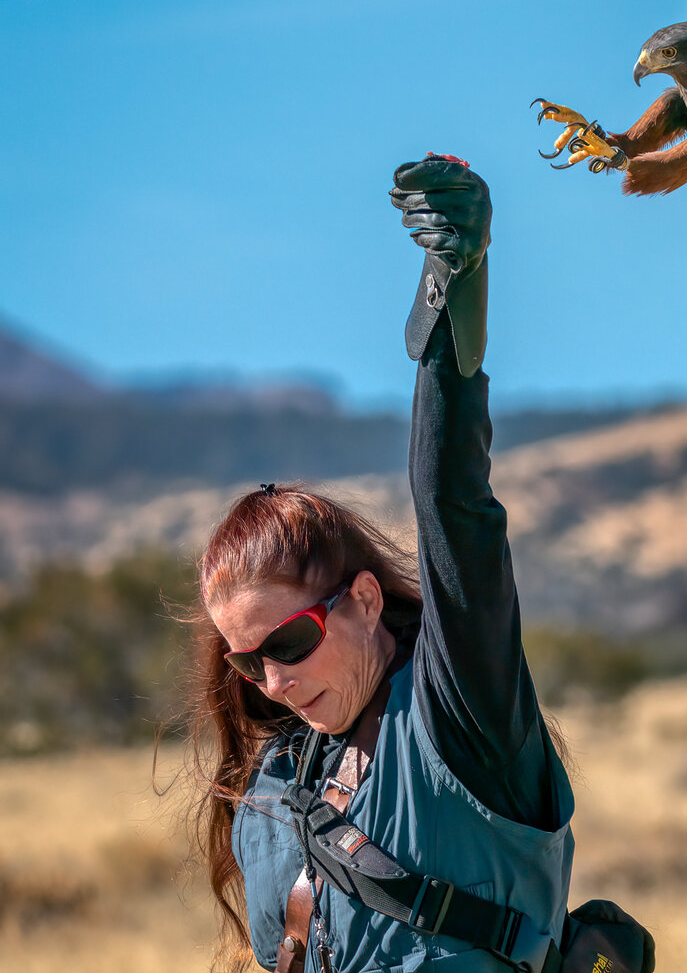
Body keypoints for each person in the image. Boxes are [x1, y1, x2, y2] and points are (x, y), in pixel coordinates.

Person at [189, 156, 575, 972]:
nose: (272, 683)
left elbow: (454, 506)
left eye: (288, 643)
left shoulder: (460, 717)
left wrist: (452, 280)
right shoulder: (276, 782)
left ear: (364, 598)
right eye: (246, 661)